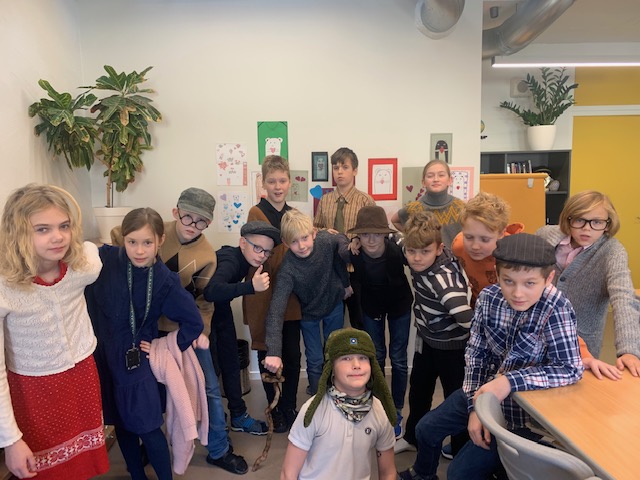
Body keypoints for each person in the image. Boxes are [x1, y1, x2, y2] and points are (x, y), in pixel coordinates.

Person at [398, 233, 584, 480]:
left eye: (530, 283)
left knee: (459, 473)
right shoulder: (488, 298)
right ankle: (423, 474)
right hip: (485, 392)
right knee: (425, 429)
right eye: (508, 281)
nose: (517, 293)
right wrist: (477, 407)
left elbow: (569, 369)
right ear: (497, 274)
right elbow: (477, 354)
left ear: (548, 278)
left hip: (523, 415)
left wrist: (508, 382)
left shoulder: (556, 307)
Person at [0, 184, 109, 480]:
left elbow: (91, 250)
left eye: (64, 226)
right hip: (33, 392)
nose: (58, 237)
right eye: (42, 229)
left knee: (83, 467)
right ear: (17, 234)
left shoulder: (83, 268)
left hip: (82, 378)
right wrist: (10, 440)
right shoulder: (5, 288)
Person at [86, 207, 204, 480]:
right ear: (123, 239)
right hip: (104, 360)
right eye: (132, 242)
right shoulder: (106, 260)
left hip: (136, 363)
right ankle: (137, 476)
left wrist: (164, 346)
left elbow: (193, 323)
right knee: (122, 425)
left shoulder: (165, 280)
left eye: (147, 243)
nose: (139, 251)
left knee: (147, 427)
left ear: (160, 240)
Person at [158, 188, 249, 473]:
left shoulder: (207, 255)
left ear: (208, 223)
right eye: (188, 217)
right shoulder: (156, 233)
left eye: (201, 221)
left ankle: (218, 448)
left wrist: (203, 332)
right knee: (152, 391)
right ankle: (153, 445)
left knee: (209, 387)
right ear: (176, 212)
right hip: (150, 329)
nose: (192, 225)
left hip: (188, 329)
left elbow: (204, 301)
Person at [396, 210, 474, 455]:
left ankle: (460, 449)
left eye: (424, 252)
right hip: (428, 340)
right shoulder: (414, 249)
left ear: (439, 249)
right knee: (418, 390)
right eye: (411, 251)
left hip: (453, 348)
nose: (417, 258)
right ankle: (413, 437)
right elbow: (398, 239)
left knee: (456, 399)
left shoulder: (444, 282)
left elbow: (469, 322)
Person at [537, 190, 640, 374]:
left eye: (597, 222)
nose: (587, 229)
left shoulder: (612, 252)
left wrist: (629, 350)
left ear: (608, 224)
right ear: (568, 219)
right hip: (535, 333)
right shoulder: (545, 236)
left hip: (581, 343)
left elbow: (624, 299)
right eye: (579, 220)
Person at [281, 328, 397, 480]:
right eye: (346, 358)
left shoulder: (379, 411)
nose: (356, 365)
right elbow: (288, 474)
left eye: (363, 357)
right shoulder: (313, 411)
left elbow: (388, 472)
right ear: (331, 368)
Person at [338, 205, 413, 439]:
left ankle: (396, 410)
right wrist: (350, 242)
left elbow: (420, 253)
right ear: (358, 236)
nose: (371, 240)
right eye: (365, 234)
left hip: (399, 304)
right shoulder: (353, 252)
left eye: (377, 234)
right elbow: (336, 245)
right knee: (376, 355)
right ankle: (379, 404)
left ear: (385, 235)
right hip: (372, 305)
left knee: (398, 358)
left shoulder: (397, 250)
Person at [204, 221, 281, 435]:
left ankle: (237, 415)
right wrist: (250, 287)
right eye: (257, 248)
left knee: (230, 363)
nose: (261, 255)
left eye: (267, 252)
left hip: (220, 309)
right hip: (203, 316)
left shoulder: (243, 259)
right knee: (212, 370)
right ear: (243, 243)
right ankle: (214, 421)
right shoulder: (231, 260)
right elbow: (210, 291)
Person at [264, 209, 352, 395]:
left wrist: (346, 284)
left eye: (304, 238)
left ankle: (335, 393)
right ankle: (317, 396)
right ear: (285, 242)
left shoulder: (326, 240)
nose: (301, 246)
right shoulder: (287, 269)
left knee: (334, 352)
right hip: (309, 313)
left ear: (314, 233)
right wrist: (273, 351)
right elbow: (276, 310)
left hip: (333, 303)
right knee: (314, 359)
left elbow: (340, 244)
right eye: (294, 241)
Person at [244, 156, 302, 433]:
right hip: (263, 293)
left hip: (290, 297)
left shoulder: (294, 214)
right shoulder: (256, 213)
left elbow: (300, 251)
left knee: (292, 354)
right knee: (267, 351)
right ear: (263, 184)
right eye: (271, 181)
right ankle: (274, 408)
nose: (277, 186)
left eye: (282, 181)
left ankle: (289, 405)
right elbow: (264, 254)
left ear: (289, 182)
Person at [313, 147, 375, 330]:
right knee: (332, 323)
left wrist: (358, 238)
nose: (339, 172)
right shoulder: (325, 201)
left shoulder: (365, 201)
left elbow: (375, 233)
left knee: (360, 320)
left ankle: (361, 349)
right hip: (331, 270)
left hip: (357, 269)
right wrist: (324, 231)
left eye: (345, 167)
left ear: (355, 170)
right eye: (335, 167)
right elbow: (315, 230)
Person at [452, 191, 524, 307]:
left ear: (501, 233)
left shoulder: (516, 254)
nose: (475, 246)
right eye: (469, 237)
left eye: (485, 239)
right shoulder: (458, 246)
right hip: (478, 305)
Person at [391, 159, 465, 248]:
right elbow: (395, 220)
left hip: (454, 256)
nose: (436, 179)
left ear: (450, 180)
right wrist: (412, 236)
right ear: (423, 182)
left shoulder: (461, 207)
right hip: (424, 256)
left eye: (441, 175)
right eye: (430, 176)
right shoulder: (414, 208)